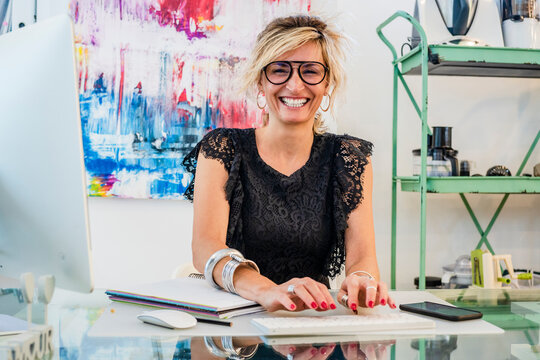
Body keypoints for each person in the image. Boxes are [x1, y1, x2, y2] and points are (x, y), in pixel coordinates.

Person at [183, 14, 395, 313]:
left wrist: (362, 280)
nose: (295, 86)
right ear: (260, 80)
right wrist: (268, 290)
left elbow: (362, 257)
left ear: (327, 83)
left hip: (313, 319)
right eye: (279, 70)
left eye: (310, 71)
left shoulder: (349, 157)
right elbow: (205, 247)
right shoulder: (223, 148)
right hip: (236, 319)